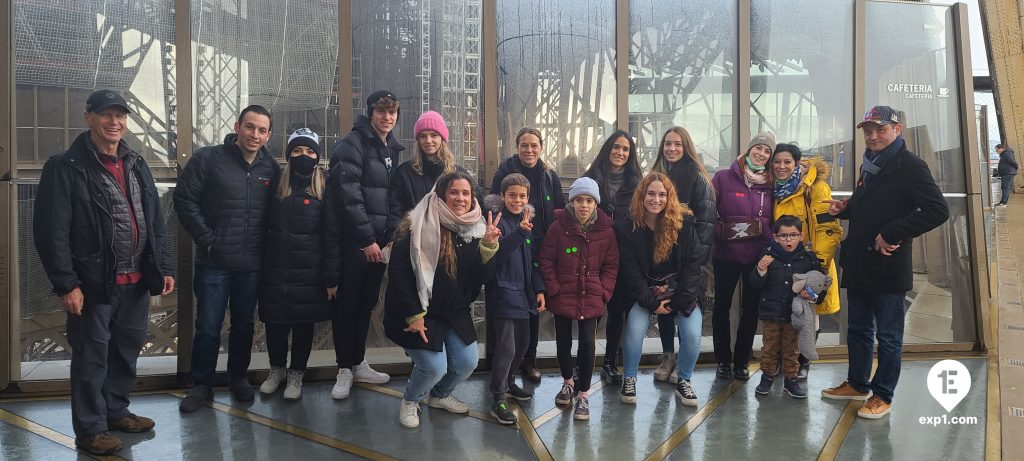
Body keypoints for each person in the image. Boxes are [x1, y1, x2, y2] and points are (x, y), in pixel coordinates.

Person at [33, 89, 175, 455]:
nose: (114, 122)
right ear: (89, 118)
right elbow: (51, 232)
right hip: (94, 283)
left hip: (136, 280)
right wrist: (67, 284)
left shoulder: (136, 163)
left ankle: (116, 411)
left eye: (120, 115)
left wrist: (162, 265)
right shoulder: (65, 167)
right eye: (106, 114)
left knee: (126, 351)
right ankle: (91, 430)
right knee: (91, 358)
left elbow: (154, 220)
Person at [822, 106, 949, 419]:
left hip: (887, 262)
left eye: (880, 129)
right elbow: (872, 203)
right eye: (868, 131)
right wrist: (846, 207)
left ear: (897, 129)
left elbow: (937, 210)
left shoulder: (911, 166)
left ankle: (883, 395)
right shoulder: (871, 163)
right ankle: (857, 383)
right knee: (858, 329)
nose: (873, 136)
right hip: (860, 261)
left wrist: (893, 232)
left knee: (888, 337)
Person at [175, 105, 280, 412]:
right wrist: (208, 239)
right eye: (250, 127)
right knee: (208, 326)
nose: (255, 135)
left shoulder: (270, 168)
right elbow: (184, 199)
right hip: (214, 263)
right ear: (237, 127)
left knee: (244, 325)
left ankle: (238, 377)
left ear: (268, 135)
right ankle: (201, 384)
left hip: (251, 264)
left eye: (262, 130)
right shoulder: (208, 159)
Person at [384, 172, 501, 428]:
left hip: (454, 311)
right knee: (434, 367)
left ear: (472, 197)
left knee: (467, 363)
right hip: (419, 311)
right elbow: (399, 274)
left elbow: (478, 278)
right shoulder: (415, 225)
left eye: (466, 193)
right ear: (441, 195)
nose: (460, 198)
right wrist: (414, 315)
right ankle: (411, 400)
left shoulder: (476, 228)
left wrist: (488, 246)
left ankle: (439, 395)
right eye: (454, 192)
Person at [326, 90, 403, 400]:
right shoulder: (352, 144)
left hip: (378, 246)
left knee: (365, 305)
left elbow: (392, 197)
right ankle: (344, 369)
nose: (387, 117)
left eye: (392, 112)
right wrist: (366, 239)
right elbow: (349, 196)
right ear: (370, 113)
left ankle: (358, 363)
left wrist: (389, 236)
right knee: (347, 307)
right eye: (381, 111)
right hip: (356, 245)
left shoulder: (391, 148)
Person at [257, 129, 339, 400]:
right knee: (275, 325)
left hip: (309, 272)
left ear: (318, 156)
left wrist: (331, 278)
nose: (304, 156)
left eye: (310, 151)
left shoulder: (324, 186)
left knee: (303, 327)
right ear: (289, 154)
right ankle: (276, 370)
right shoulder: (276, 183)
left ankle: (296, 375)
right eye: (297, 150)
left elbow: (331, 235)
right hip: (275, 269)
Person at [617, 173, 704, 407]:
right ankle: (629, 378)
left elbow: (693, 267)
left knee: (692, 335)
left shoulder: (684, 224)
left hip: (681, 290)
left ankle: (684, 380)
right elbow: (630, 272)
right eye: (651, 194)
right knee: (634, 330)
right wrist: (653, 303)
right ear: (642, 195)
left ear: (669, 197)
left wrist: (677, 302)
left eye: (662, 194)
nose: (656, 199)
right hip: (646, 291)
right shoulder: (628, 226)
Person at [538, 177, 619, 421]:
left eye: (589, 201)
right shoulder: (558, 228)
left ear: (596, 203)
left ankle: (583, 394)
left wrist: (604, 291)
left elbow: (611, 265)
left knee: (587, 343)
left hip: (591, 295)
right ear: (572, 202)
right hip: (563, 294)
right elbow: (546, 260)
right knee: (563, 341)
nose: (584, 205)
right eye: (579, 200)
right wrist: (554, 288)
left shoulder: (606, 231)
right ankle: (567, 382)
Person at [490, 127, 566, 382]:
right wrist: (510, 228)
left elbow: (558, 210)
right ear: (517, 147)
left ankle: (529, 360)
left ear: (541, 147)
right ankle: (504, 368)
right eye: (524, 145)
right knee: (509, 308)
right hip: (512, 239)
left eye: (534, 145)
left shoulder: (549, 175)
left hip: (540, 245)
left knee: (533, 304)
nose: (529, 150)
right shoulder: (505, 171)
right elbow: (493, 203)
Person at [769, 143, 843, 380]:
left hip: (810, 262)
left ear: (797, 163)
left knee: (810, 313)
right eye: (777, 162)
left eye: (787, 162)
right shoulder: (775, 189)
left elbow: (828, 229)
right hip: (783, 262)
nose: (781, 166)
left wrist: (818, 265)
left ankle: (804, 360)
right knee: (787, 311)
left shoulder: (816, 188)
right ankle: (785, 359)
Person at [649, 126, 715, 382]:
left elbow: (706, 222)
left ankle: (683, 363)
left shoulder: (698, 177)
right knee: (664, 306)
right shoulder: (657, 173)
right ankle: (668, 355)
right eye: (667, 144)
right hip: (662, 253)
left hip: (688, 256)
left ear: (686, 147)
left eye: (677, 144)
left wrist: (696, 258)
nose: (672, 149)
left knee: (684, 306)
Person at [711, 132, 775, 381]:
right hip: (725, 253)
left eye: (767, 151)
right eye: (758, 148)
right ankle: (722, 360)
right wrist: (722, 232)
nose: (762, 154)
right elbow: (709, 211)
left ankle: (741, 361)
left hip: (757, 256)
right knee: (721, 307)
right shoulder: (723, 178)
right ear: (749, 150)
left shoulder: (772, 183)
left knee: (751, 309)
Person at [482, 173, 545, 424]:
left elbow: (532, 261)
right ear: (502, 196)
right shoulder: (498, 221)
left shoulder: (525, 221)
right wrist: (519, 232)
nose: (517, 200)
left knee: (523, 344)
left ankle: (508, 382)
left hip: (524, 294)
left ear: (527, 198)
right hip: (503, 293)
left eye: (522, 196)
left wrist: (539, 289)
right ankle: (498, 397)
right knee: (506, 347)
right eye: (512, 195)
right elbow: (497, 255)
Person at [582, 130, 642, 384]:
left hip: (624, 256)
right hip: (594, 254)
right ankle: (583, 363)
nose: (620, 152)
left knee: (617, 311)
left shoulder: (638, 184)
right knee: (590, 311)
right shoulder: (590, 179)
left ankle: (609, 361)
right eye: (616, 147)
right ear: (608, 149)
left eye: (626, 149)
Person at [749, 215, 827, 399]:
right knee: (769, 347)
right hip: (771, 313)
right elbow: (755, 284)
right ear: (775, 237)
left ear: (802, 236)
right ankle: (767, 376)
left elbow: (821, 283)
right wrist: (760, 271)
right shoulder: (767, 256)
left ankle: (791, 379)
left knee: (792, 349)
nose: (788, 239)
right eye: (783, 236)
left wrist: (813, 295)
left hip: (796, 314)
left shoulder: (808, 259)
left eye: (793, 235)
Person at [389, 111, 469, 224]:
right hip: (412, 234)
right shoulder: (404, 172)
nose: (428, 140)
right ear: (418, 140)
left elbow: (473, 207)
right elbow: (395, 211)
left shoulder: (458, 173)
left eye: (434, 135)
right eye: (423, 136)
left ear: (442, 138)